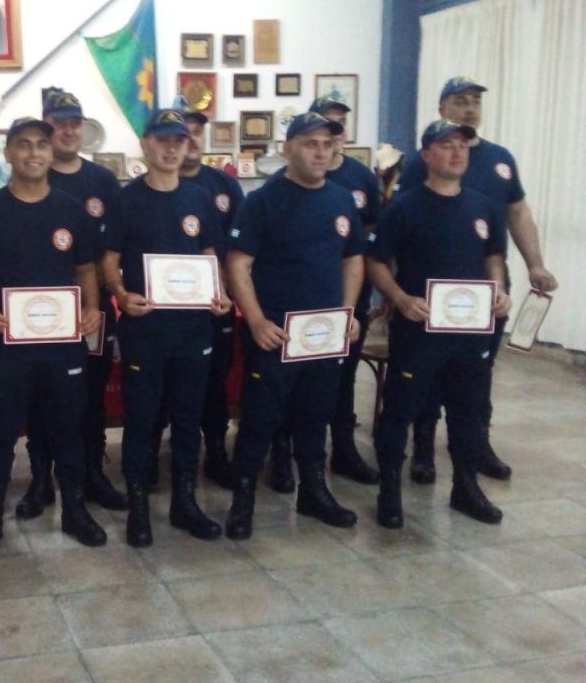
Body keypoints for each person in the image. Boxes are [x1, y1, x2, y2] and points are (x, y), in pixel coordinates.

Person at [0, 116, 107, 558]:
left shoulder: (71, 211)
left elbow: (85, 269)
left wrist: (92, 307)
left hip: (63, 345)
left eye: (41, 144)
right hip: (8, 347)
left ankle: (74, 511)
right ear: (8, 153)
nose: (33, 153)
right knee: (0, 432)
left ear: (51, 150)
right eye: (23, 144)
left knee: (68, 430)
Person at [398, 77, 558, 484]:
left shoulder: (500, 159)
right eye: (459, 101)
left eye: (474, 102)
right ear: (442, 109)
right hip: (433, 291)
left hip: (487, 288)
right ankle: (423, 450)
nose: (469, 108)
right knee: (431, 373)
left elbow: (518, 213)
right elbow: (402, 221)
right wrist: (397, 292)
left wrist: (536, 265)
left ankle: (478, 444)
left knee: (479, 370)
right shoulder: (423, 161)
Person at [223, 112, 364, 540]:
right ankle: (243, 502)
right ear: (288, 149)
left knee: (315, 416)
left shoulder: (341, 200)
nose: (321, 152)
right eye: (310, 143)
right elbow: (238, 264)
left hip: (324, 334)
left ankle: (314, 493)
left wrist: (348, 312)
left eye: (327, 144)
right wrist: (256, 319)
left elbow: (353, 259)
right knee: (259, 420)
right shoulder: (263, 201)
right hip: (276, 334)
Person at [368, 120, 511, 528]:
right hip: (419, 330)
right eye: (446, 145)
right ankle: (390, 491)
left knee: (468, 411)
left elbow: (494, 257)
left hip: (470, 332)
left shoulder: (483, 206)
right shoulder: (404, 207)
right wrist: (400, 299)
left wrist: (499, 290)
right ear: (427, 155)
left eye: (462, 145)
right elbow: (375, 261)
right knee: (401, 410)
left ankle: (465, 487)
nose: (457, 152)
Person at [101, 109, 231, 547]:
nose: (172, 148)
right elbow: (108, 260)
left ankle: (185, 502)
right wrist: (121, 295)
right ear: (146, 144)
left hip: (194, 329)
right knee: (141, 420)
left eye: (179, 140)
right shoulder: (126, 199)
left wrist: (219, 292)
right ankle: (139, 506)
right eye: (163, 140)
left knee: (188, 419)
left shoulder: (200, 197)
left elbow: (211, 253)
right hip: (145, 330)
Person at [16, 90, 128, 520]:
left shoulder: (102, 181)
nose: (67, 130)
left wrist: (103, 297)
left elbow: (112, 248)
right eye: (58, 122)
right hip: (40, 314)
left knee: (91, 396)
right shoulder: (33, 177)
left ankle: (92, 473)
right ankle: (41, 479)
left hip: (92, 311)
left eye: (74, 122)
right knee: (39, 396)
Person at [177, 110, 245, 490]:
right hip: (167, 310)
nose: (190, 140)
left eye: (196, 132)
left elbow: (239, 248)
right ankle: (162, 456)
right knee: (166, 384)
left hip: (216, 306)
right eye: (181, 133)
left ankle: (216, 452)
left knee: (214, 381)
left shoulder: (224, 185)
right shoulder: (144, 190)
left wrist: (226, 289)